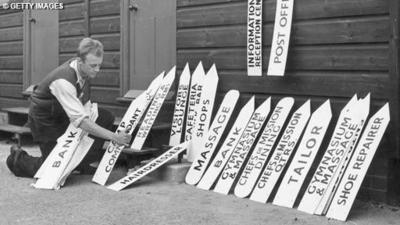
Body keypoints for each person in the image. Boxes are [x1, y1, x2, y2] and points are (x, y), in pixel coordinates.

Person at [6, 37, 131, 177]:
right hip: (44, 120)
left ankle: (81, 164)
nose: (97, 70)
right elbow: (82, 122)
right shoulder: (63, 80)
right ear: (80, 61)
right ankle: (16, 159)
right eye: (93, 65)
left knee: (105, 117)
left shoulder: (81, 68)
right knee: (52, 170)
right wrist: (114, 137)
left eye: (99, 65)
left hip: (62, 114)